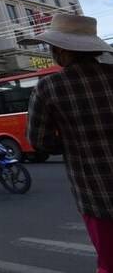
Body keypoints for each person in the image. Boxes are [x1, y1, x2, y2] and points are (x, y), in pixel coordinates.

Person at [21, 14, 113, 272]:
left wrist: (75, 142)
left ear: (61, 50)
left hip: (98, 194)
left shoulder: (49, 87)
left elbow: (40, 141)